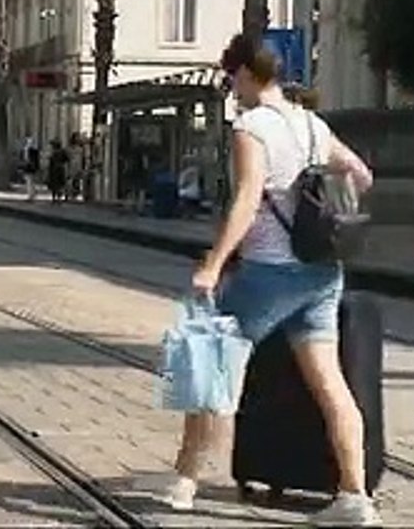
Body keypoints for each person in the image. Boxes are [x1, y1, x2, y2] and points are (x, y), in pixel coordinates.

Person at [164, 34, 379, 525]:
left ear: (243, 73)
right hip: (322, 274)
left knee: (214, 372)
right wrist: (322, 190)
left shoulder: (252, 126)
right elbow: (361, 174)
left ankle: (184, 482)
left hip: (268, 273)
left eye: (231, 78)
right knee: (332, 386)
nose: (231, 88)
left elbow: (246, 200)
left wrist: (214, 264)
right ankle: (354, 496)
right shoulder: (312, 124)